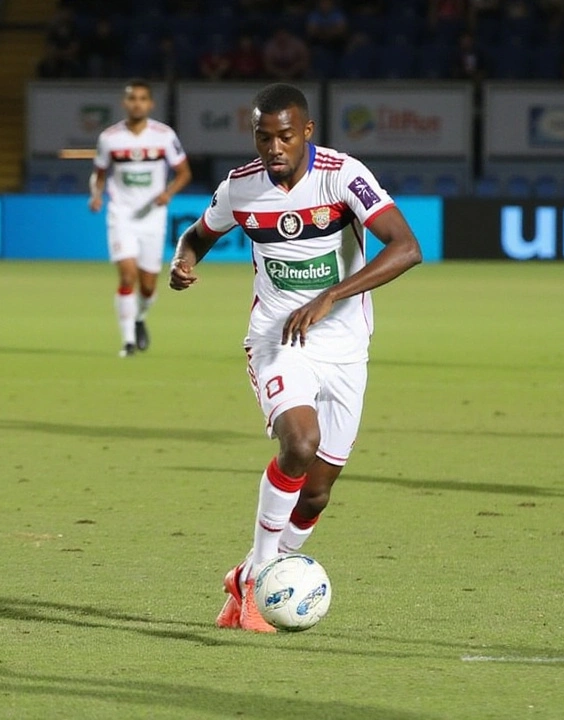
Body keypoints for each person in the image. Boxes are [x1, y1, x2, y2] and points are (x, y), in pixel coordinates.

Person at [170, 83, 422, 632]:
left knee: (317, 494)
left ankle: (245, 579)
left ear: (307, 132)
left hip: (346, 347)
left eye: (285, 136)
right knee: (300, 443)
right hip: (277, 338)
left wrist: (332, 294)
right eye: (264, 137)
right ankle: (263, 575)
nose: (274, 147)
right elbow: (197, 234)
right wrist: (183, 261)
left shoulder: (342, 175)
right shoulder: (241, 188)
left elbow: (407, 247)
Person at [89, 80, 191, 356]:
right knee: (127, 276)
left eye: (142, 98)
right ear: (125, 103)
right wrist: (96, 195)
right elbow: (98, 175)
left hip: (152, 218)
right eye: (132, 98)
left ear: (150, 104)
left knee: (147, 285)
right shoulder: (109, 138)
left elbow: (184, 173)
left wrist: (167, 194)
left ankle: (140, 317)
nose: (137, 103)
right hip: (120, 214)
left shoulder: (163, 135)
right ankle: (128, 341)